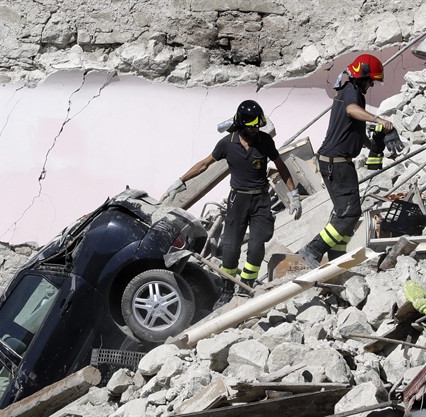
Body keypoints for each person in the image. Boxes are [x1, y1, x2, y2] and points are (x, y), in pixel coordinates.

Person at [161, 100, 301, 307]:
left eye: (258, 127)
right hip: (238, 201)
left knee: (256, 245)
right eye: (252, 127)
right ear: (242, 125)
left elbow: (280, 165)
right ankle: (227, 289)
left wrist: (293, 194)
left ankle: (246, 285)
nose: (256, 131)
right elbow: (204, 164)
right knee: (230, 247)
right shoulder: (227, 143)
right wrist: (181, 181)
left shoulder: (264, 141)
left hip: (260, 201)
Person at [297, 54, 404, 267]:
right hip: (336, 163)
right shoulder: (350, 93)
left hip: (338, 161)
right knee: (350, 213)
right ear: (362, 76)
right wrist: (379, 119)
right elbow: (351, 111)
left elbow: (354, 127)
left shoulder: (351, 93)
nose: (372, 84)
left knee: (346, 213)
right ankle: (313, 249)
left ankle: (338, 257)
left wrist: (373, 144)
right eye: (371, 80)